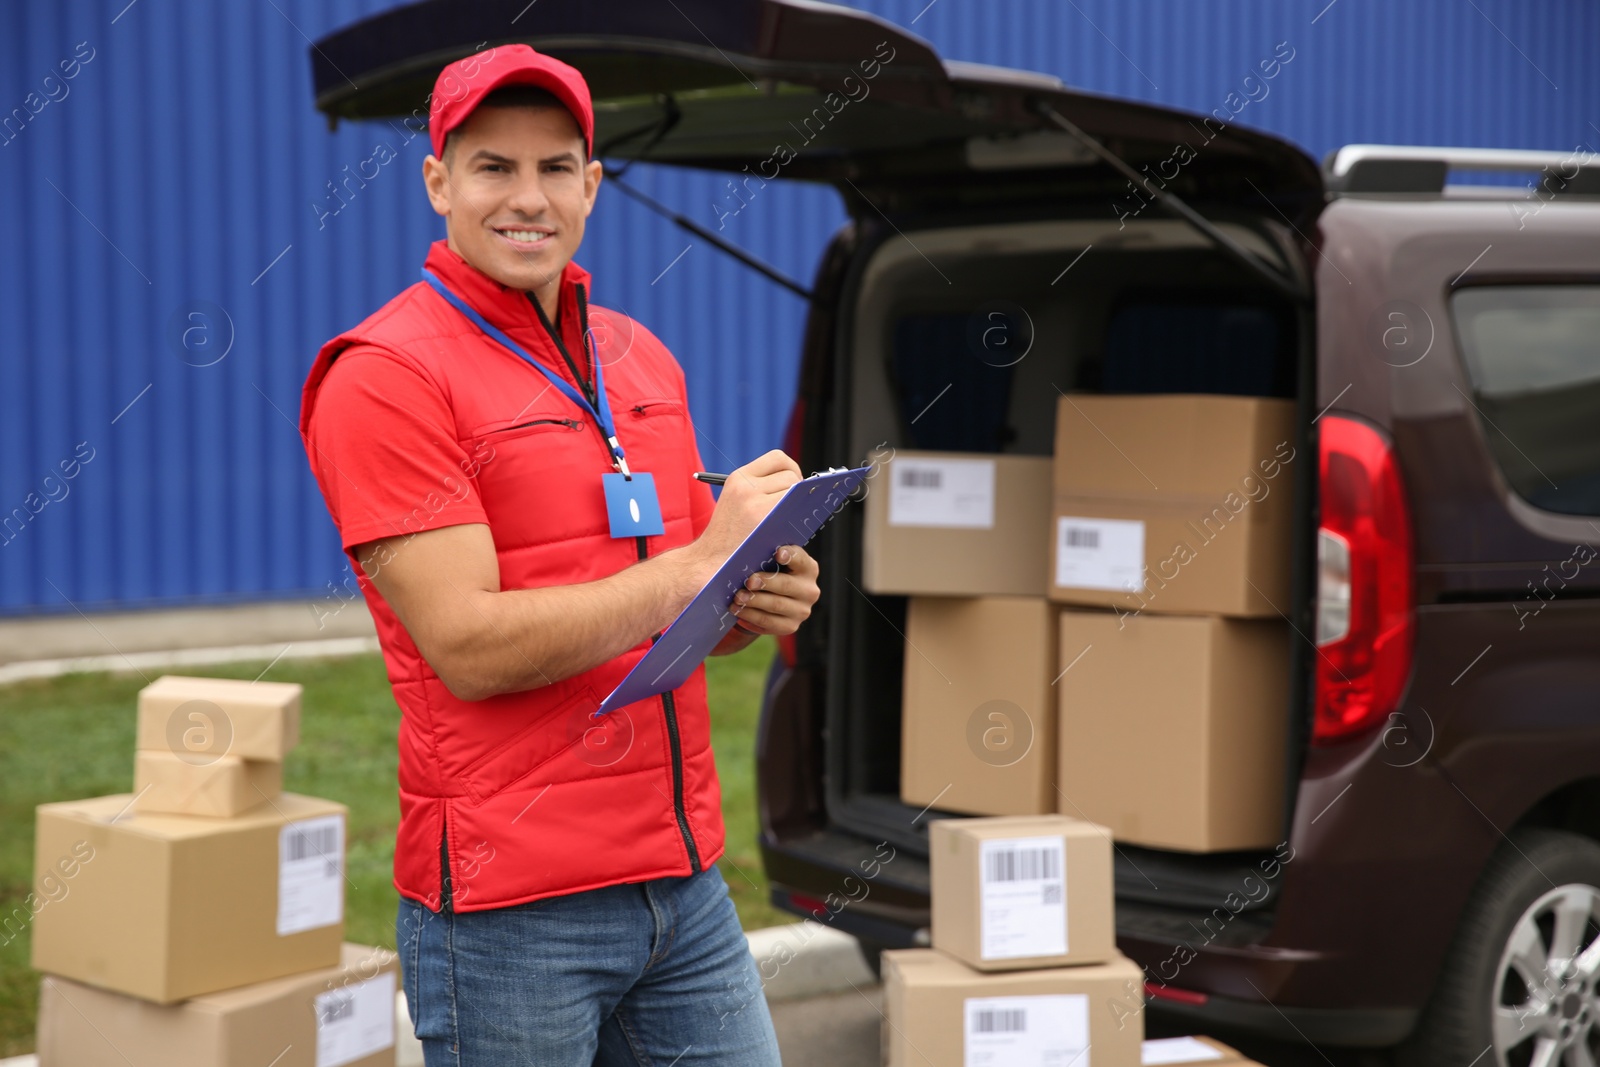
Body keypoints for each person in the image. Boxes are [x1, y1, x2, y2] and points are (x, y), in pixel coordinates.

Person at [297, 44, 816, 1066]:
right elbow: (469, 646)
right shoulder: (385, 376)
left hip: (681, 881)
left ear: (592, 182)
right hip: (510, 912)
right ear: (438, 181)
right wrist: (688, 568)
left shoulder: (639, 358)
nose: (525, 197)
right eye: (493, 166)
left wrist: (745, 596)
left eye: (553, 167)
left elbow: (661, 615)